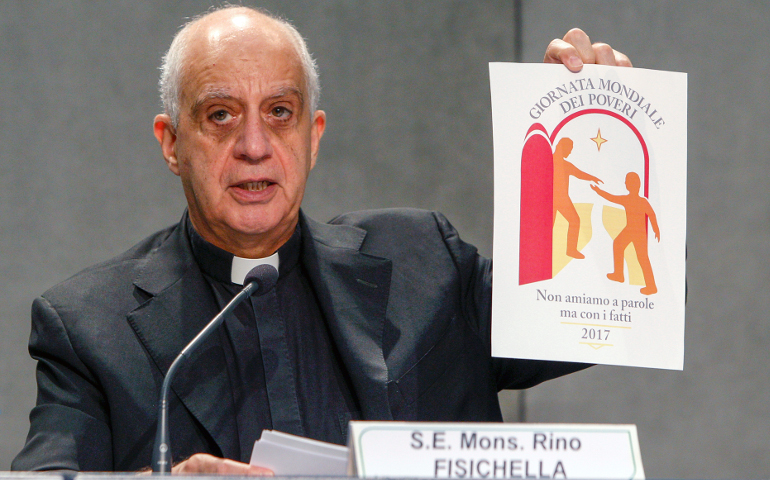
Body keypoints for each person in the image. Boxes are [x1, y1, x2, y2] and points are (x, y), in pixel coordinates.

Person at [12, 6, 632, 474]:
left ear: (314, 136)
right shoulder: (92, 328)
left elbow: (605, 312)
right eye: (220, 115)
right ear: (171, 142)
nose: (254, 145)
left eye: (279, 113)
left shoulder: (424, 264)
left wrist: (608, 117)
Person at [591, 172, 660, 295]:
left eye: (628, 182)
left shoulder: (641, 201)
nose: (627, 184)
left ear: (633, 185)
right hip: (629, 229)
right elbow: (611, 197)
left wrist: (656, 229)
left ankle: (651, 286)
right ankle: (618, 274)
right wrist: (598, 191)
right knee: (618, 244)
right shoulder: (627, 199)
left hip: (639, 233)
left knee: (642, 258)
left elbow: (652, 214)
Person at [552, 137, 603, 259]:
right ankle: (544, 250)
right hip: (552, 199)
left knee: (574, 221)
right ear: (562, 147)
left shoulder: (565, 164)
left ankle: (570, 250)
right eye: (569, 149)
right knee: (550, 224)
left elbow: (579, 173)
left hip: (563, 199)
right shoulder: (550, 161)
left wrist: (592, 177)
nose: (570, 152)